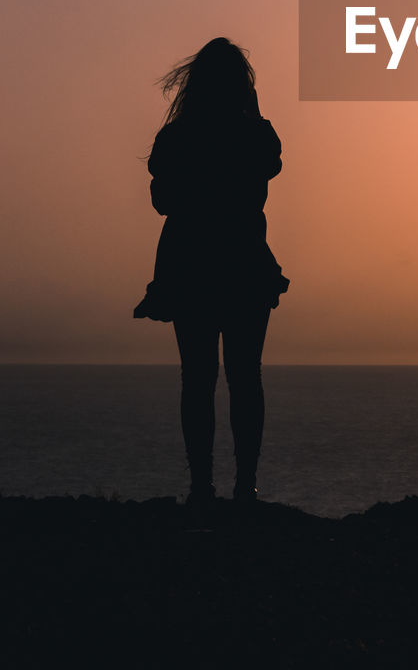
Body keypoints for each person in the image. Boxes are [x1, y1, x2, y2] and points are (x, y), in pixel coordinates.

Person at [134, 37, 288, 507]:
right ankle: (246, 487)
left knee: (197, 378)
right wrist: (254, 114)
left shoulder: (175, 139)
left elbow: (162, 202)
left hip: (190, 265)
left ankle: (202, 486)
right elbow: (268, 164)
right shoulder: (254, 136)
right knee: (246, 377)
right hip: (243, 264)